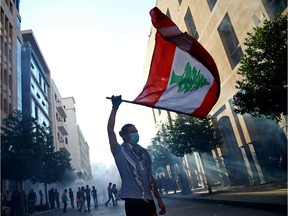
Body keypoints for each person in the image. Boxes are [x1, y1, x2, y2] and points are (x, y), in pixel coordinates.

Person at [107, 95, 166, 216]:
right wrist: (114, 108)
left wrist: (159, 199)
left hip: (149, 201)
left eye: (136, 131)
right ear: (124, 136)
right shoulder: (119, 150)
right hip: (132, 201)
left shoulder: (144, 152)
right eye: (132, 132)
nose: (136, 134)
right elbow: (110, 130)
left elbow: (151, 178)